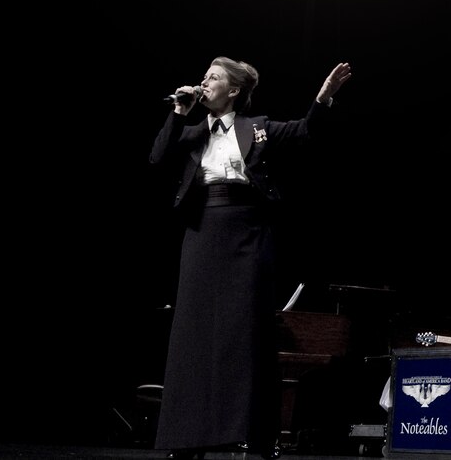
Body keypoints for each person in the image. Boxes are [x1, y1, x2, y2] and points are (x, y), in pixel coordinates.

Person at [150, 58, 352, 460]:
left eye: (213, 77)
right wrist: (178, 112)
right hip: (202, 232)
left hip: (248, 233)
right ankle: (187, 438)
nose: (204, 81)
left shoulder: (255, 127)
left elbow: (304, 131)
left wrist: (323, 99)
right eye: (204, 76)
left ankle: (257, 435)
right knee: (192, 335)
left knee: (246, 335)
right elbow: (157, 158)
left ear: (234, 91)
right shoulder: (191, 132)